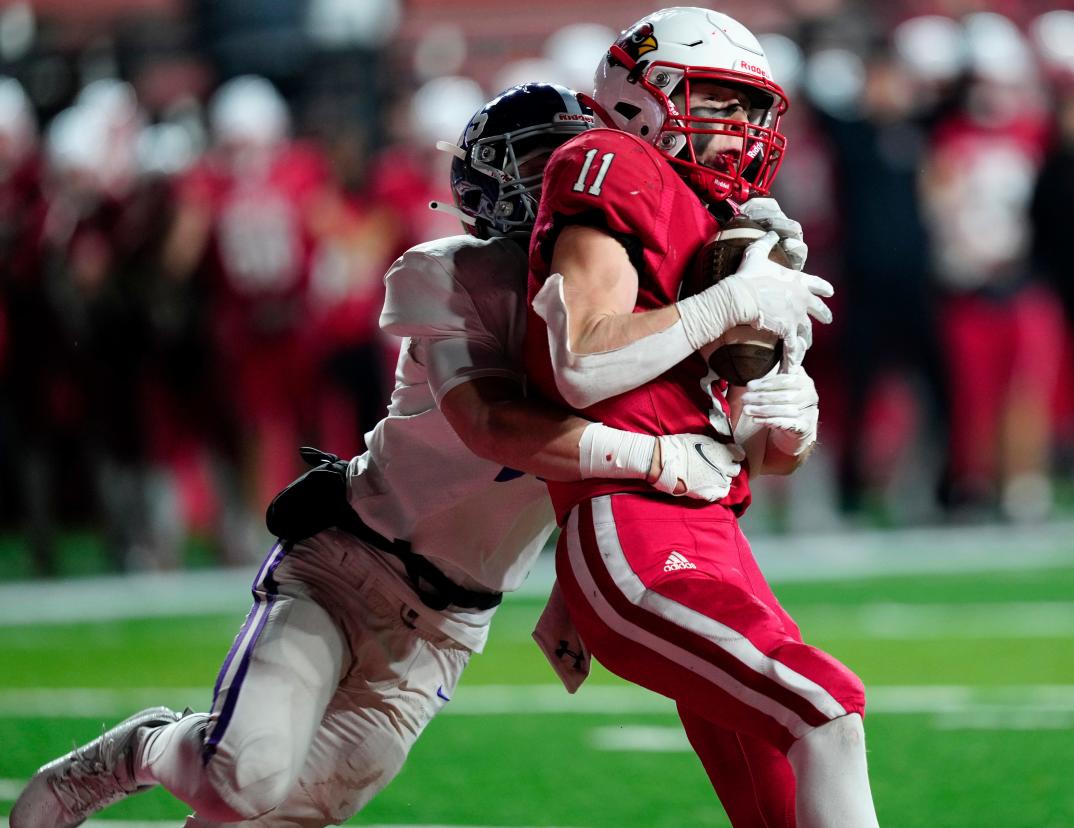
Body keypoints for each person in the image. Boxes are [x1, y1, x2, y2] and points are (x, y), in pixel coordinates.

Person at [9, 82, 754, 828]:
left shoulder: (628, 305)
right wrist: (653, 456)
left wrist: (571, 591)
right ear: (486, 181)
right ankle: (136, 752)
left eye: (568, 156)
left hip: (448, 629)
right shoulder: (447, 271)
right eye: (535, 162)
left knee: (276, 814)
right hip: (348, 565)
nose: (555, 178)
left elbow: (598, 475)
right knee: (240, 780)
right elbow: (494, 424)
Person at [523, 9, 878, 827]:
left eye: (752, 109)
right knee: (825, 706)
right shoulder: (612, 161)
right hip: (635, 528)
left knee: (780, 804)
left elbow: (761, 451)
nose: (743, 129)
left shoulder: (719, 216)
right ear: (645, 96)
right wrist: (731, 301)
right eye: (721, 101)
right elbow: (582, 364)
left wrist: (790, 419)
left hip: (716, 526)